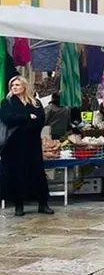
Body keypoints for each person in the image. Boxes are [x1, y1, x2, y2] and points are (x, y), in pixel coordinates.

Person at [0, 76, 53, 216]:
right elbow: (8, 119)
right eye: (12, 85)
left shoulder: (35, 103)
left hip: (32, 143)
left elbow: (40, 120)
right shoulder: (7, 102)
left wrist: (25, 118)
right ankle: (19, 205)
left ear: (24, 86)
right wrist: (28, 117)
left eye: (17, 85)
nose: (15, 87)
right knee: (17, 173)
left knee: (36, 172)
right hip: (13, 144)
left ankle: (43, 203)